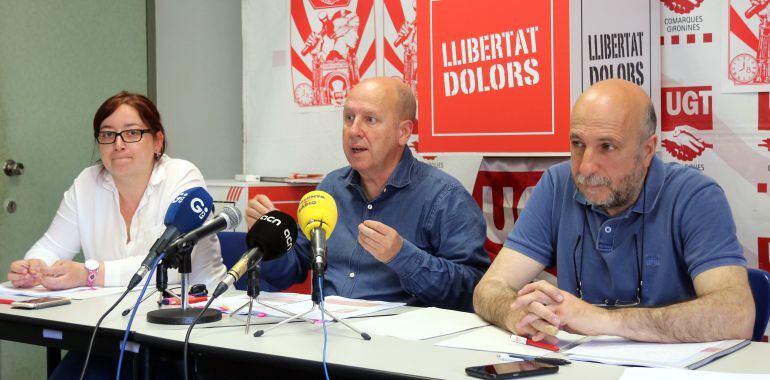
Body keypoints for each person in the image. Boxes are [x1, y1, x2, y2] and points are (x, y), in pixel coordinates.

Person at [473, 79, 755, 343]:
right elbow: (489, 288)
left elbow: (736, 315)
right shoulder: (558, 184)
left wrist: (603, 321)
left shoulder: (694, 196)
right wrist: (515, 314)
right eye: (578, 144)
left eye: (607, 147)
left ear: (647, 151)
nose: (585, 167)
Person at [247, 77, 489, 311]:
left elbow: (471, 290)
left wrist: (402, 256)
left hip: (399, 341)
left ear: (403, 133)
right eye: (349, 118)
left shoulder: (445, 197)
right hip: (326, 334)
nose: (354, 131)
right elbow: (288, 272)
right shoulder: (330, 188)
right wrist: (272, 240)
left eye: (370, 119)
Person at [7, 91, 226, 292]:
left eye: (132, 133)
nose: (118, 144)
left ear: (157, 141)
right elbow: (50, 247)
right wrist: (34, 267)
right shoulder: (88, 182)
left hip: (196, 312)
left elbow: (172, 266)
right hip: (113, 315)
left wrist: (89, 274)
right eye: (108, 134)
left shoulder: (182, 175)